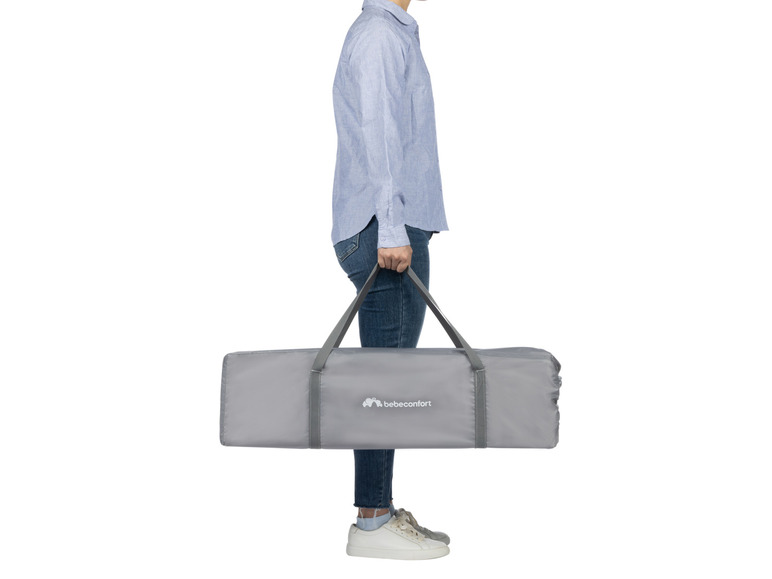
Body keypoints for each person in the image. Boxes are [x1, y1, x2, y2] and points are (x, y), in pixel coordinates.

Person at [331, 0, 451, 560]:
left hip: (386, 226)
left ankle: (377, 512)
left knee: (387, 381)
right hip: (385, 230)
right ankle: (372, 521)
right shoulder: (381, 34)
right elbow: (379, 133)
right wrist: (394, 228)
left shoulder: (390, 31)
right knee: (385, 384)